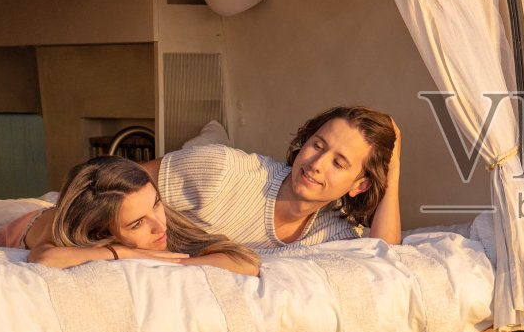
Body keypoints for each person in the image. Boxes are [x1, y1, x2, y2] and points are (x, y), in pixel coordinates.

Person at [141, 105, 401, 252]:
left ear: (360, 185)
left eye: (338, 163)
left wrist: (393, 170)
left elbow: (383, 264)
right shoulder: (221, 170)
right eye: (318, 146)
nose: (316, 164)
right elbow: (114, 181)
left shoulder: (335, 232)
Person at [7, 156, 260, 275]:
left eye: (156, 203)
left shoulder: (151, 213)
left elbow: (246, 262)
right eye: (138, 223)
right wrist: (128, 254)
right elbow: (45, 259)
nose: (160, 226)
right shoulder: (71, 234)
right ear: (100, 234)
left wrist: (175, 263)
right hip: (19, 223)